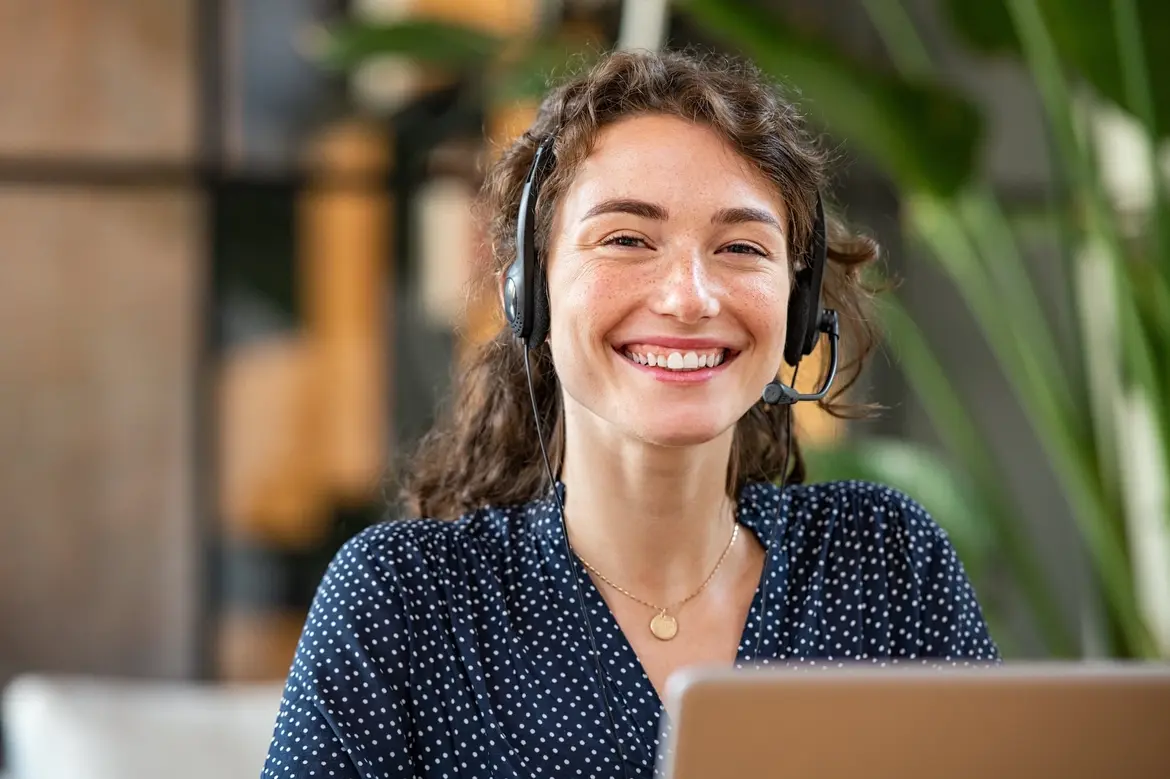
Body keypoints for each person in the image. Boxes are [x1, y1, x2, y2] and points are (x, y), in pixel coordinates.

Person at [261, 48, 998, 779]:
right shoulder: (404, 600)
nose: (689, 297)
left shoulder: (883, 565)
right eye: (626, 239)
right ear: (530, 290)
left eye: (741, 247)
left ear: (797, 309)